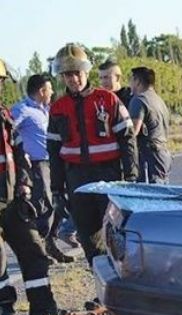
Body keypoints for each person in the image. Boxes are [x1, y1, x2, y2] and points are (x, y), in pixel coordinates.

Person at [47, 43, 138, 263]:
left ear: (86, 71)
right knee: (89, 240)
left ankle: (122, 278)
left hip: (108, 177)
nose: (73, 79)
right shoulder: (58, 108)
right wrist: (57, 191)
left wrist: (131, 178)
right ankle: (99, 281)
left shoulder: (108, 100)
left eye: (76, 73)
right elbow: (54, 153)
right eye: (67, 74)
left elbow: (127, 140)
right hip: (76, 179)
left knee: (116, 235)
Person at [0, 58, 60, 315]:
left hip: (12, 199)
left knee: (34, 250)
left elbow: (19, 151)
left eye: (1, 82)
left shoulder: (4, 115)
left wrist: (24, 183)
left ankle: (43, 307)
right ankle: (4, 308)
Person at [11, 74, 75, 263]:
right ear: (41, 91)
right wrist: (20, 152)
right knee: (44, 206)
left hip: (55, 162)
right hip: (38, 165)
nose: (53, 92)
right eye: (50, 89)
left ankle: (50, 243)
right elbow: (8, 130)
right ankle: (39, 252)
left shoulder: (47, 110)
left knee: (60, 203)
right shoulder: (22, 109)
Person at [129, 66, 171, 183]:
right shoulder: (159, 101)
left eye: (131, 80)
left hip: (149, 158)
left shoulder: (139, 100)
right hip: (163, 155)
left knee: (149, 191)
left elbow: (132, 132)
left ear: (137, 81)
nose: (130, 84)